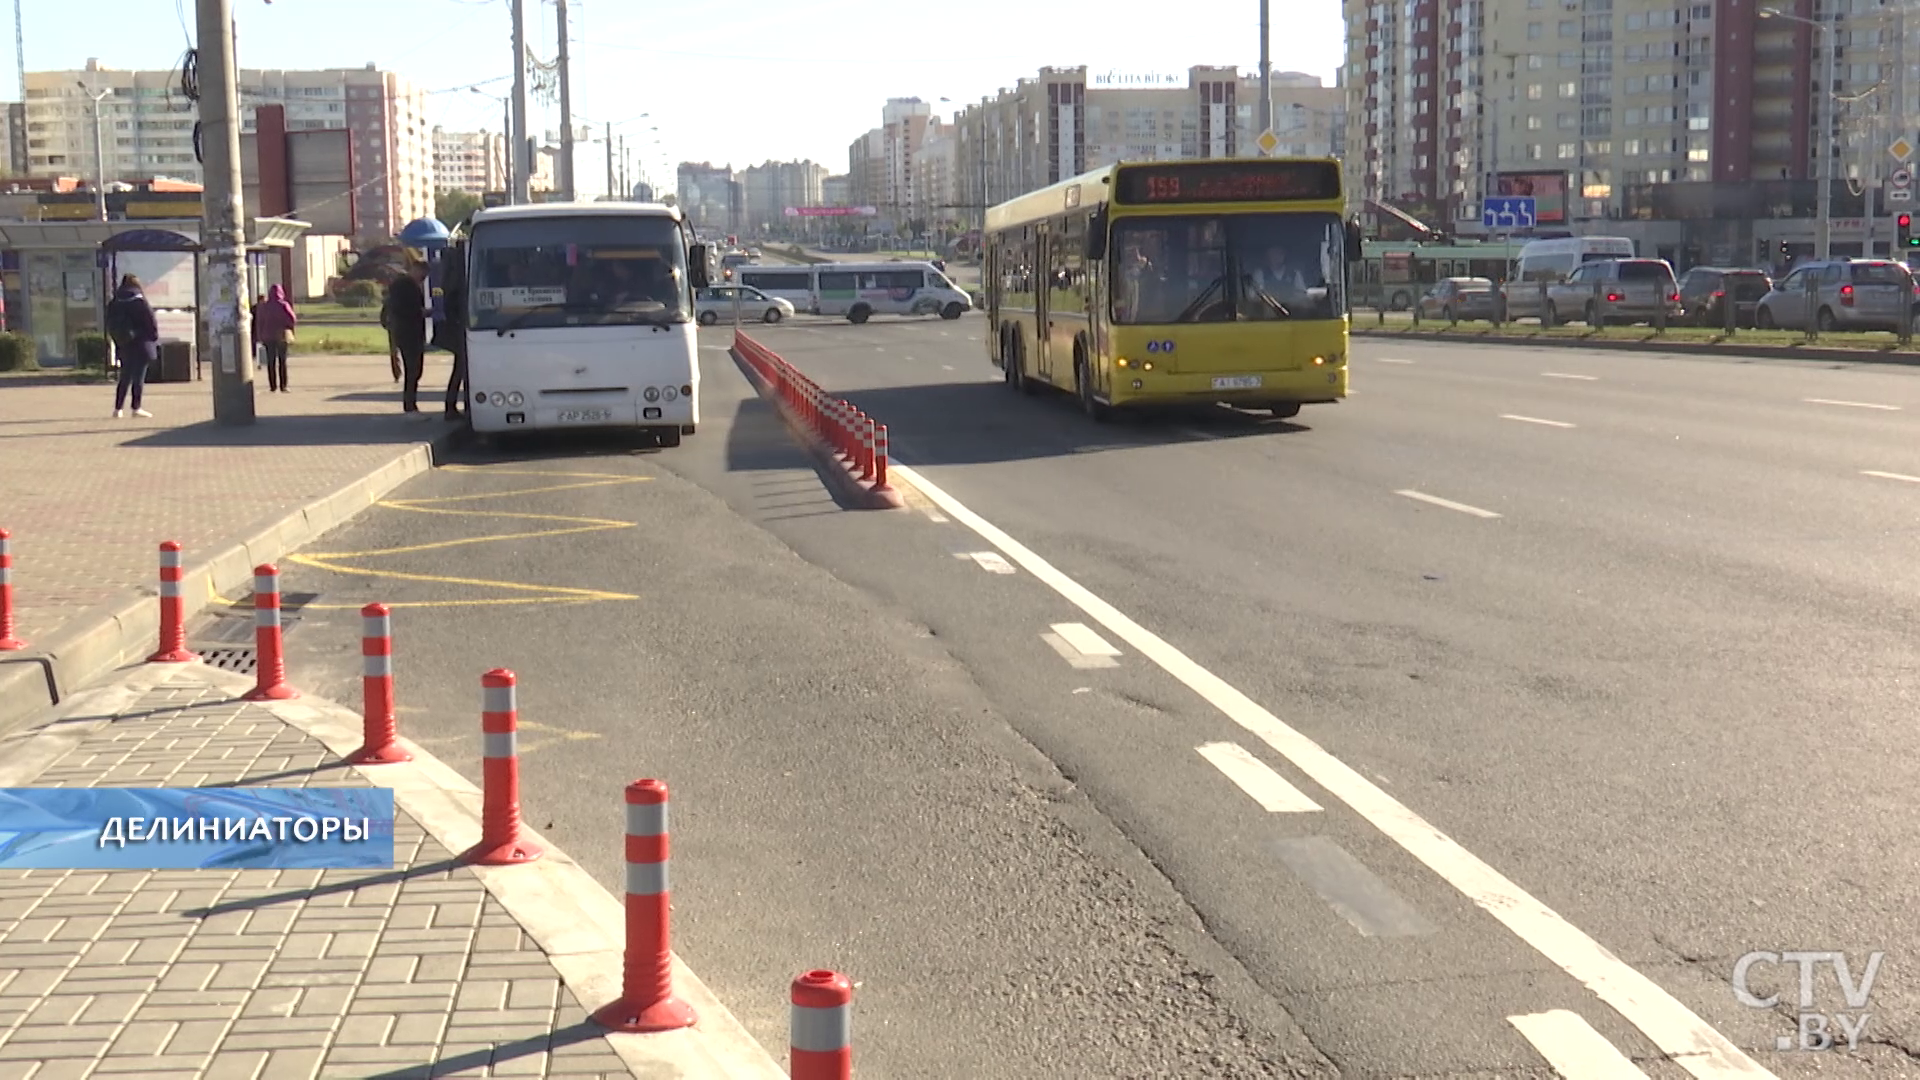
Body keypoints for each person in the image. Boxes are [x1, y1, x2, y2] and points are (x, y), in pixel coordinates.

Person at [104, 274, 159, 419]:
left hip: (123, 344)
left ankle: (118, 409)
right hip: (141, 343)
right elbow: (150, 322)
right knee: (138, 377)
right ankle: (136, 407)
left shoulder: (115, 301)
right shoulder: (139, 301)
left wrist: (118, 339)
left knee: (124, 376)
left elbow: (109, 322)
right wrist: (153, 338)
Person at [382, 260, 429, 413]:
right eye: (423, 274)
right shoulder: (404, 286)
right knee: (413, 370)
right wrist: (420, 312)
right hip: (407, 332)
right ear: (415, 270)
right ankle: (409, 406)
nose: (424, 278)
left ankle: (411, 404)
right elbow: (403, 309)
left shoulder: (407, 285)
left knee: (415, 370)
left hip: (410, 332)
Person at [437, 245, 470, 421]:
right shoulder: (457, 287)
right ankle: (451, 407)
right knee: (460, 370)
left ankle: (453, 406)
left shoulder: (450, 282)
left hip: (458, 332)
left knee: (460, 370)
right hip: (460, 334)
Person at [252, 284, 298, 393]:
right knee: (282, 361)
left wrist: (260, 335)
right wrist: (287, 326)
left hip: (268, 337)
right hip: (281, 335)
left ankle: (272, 386)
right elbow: (292, 319)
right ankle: (283, 385)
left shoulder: (264, 306)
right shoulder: (283, 305)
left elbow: (260, 322)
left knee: (270, 361)